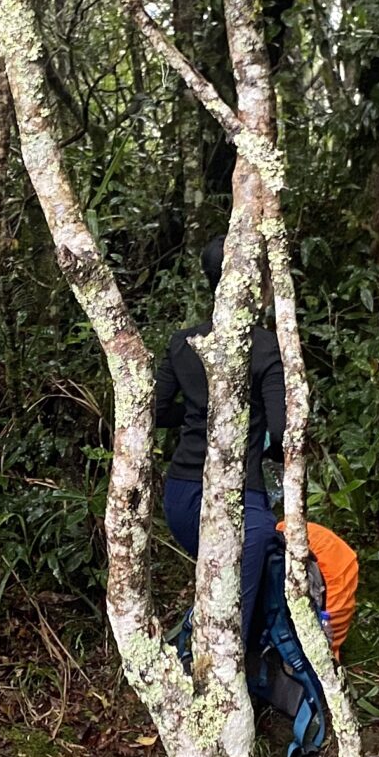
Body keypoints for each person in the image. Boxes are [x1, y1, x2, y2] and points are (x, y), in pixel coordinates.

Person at [156, 236, 288, 653]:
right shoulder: (267, 347)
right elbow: (283, 431)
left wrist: (198, 417)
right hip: (238, 496)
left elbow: (155, 412)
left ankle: (210, 651)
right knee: (255, 548)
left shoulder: (184, 343)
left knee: (228, 571)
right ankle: (218, 664)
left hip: (180, 497)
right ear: (257, 285)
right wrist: (262, 437)